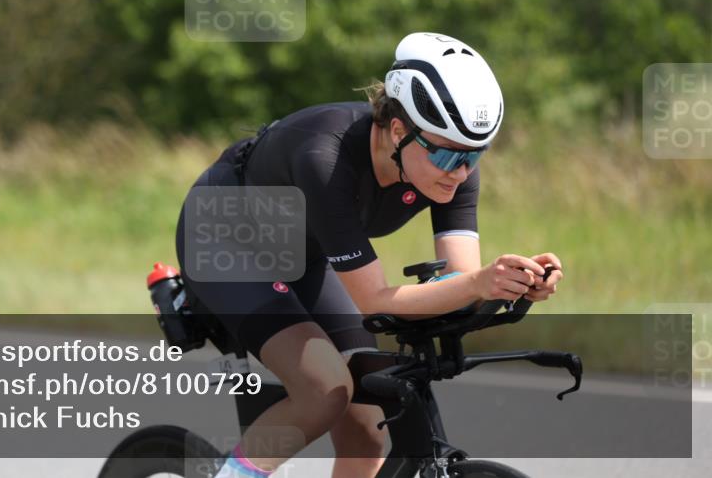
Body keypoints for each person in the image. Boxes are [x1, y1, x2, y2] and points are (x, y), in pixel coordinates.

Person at [174, 32, 564, 478]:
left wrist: (513, 285)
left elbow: (461, 280)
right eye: (447, 155)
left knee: (367, 423)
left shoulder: (451, 164)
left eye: (475, 156)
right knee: (324, 390)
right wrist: (477, 284)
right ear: (398, 131)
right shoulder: (325, 157)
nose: (460, 172)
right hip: (224, 239)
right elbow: (374, 300)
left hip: (304, 251)